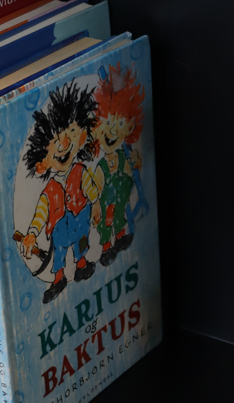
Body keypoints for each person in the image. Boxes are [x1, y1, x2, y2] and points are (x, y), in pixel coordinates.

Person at [20, 80, 100, 302]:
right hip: (60, 232)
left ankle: (82, 264)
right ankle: (58, 278)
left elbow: (91, 191)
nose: (63, 143)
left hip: (81, 220)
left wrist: (96, 205)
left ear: (81, 137)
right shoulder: (49, 191)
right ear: (42, 163)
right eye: (55, 141)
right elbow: (41, 213)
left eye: (69, 133)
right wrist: (32, 233)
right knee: (59, 255)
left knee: (82, 243)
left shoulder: (81, 172)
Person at [90, 62, 145, 266]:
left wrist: (137, 162)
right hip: (106, 204)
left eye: (119, 124)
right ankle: (106, 248)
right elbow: (96, 188)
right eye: (107, 123)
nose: (112, 131)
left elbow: (132, 169)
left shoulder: (123, 157)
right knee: (106, 225)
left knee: (120, 218)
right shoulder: (102, 167)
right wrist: (96, 205)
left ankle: (120, 238)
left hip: (121, 200)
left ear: (129, 127)